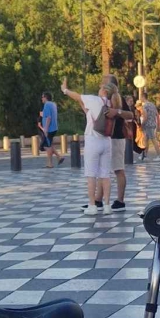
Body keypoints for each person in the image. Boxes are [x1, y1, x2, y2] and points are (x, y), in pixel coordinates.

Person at [62, 75, 113, 215]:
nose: (99, 88)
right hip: (106, 141)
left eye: (101, 87)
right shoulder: (111, 104)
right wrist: (81, 102)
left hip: (93, 140)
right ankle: (107, 205)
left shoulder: (95, 100)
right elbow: (88, 112)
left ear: (104, 90)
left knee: (91, 174)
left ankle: (92, 205)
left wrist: (65, 90)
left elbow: (77, 96)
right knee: (105, 174)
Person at [110, 92, 137, 209]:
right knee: (103, 171)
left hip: (116, 138)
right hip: (109, 138)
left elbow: (130, 115)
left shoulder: (118, 98)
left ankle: (120, 201)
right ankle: (98, 200)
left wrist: (117, 112)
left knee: (118, 169)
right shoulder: (105, 98)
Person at [38, 91, 59, 168]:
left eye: (42, 97)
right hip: (54, 128)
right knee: (48, 145)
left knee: (45, 146)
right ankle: (58, 157)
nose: (41, 99)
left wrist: (46, 129)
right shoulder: (53, 104)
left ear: (46, 97)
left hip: (49, 129)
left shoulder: (46, 105)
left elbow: (49, 118)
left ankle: (51, 163)